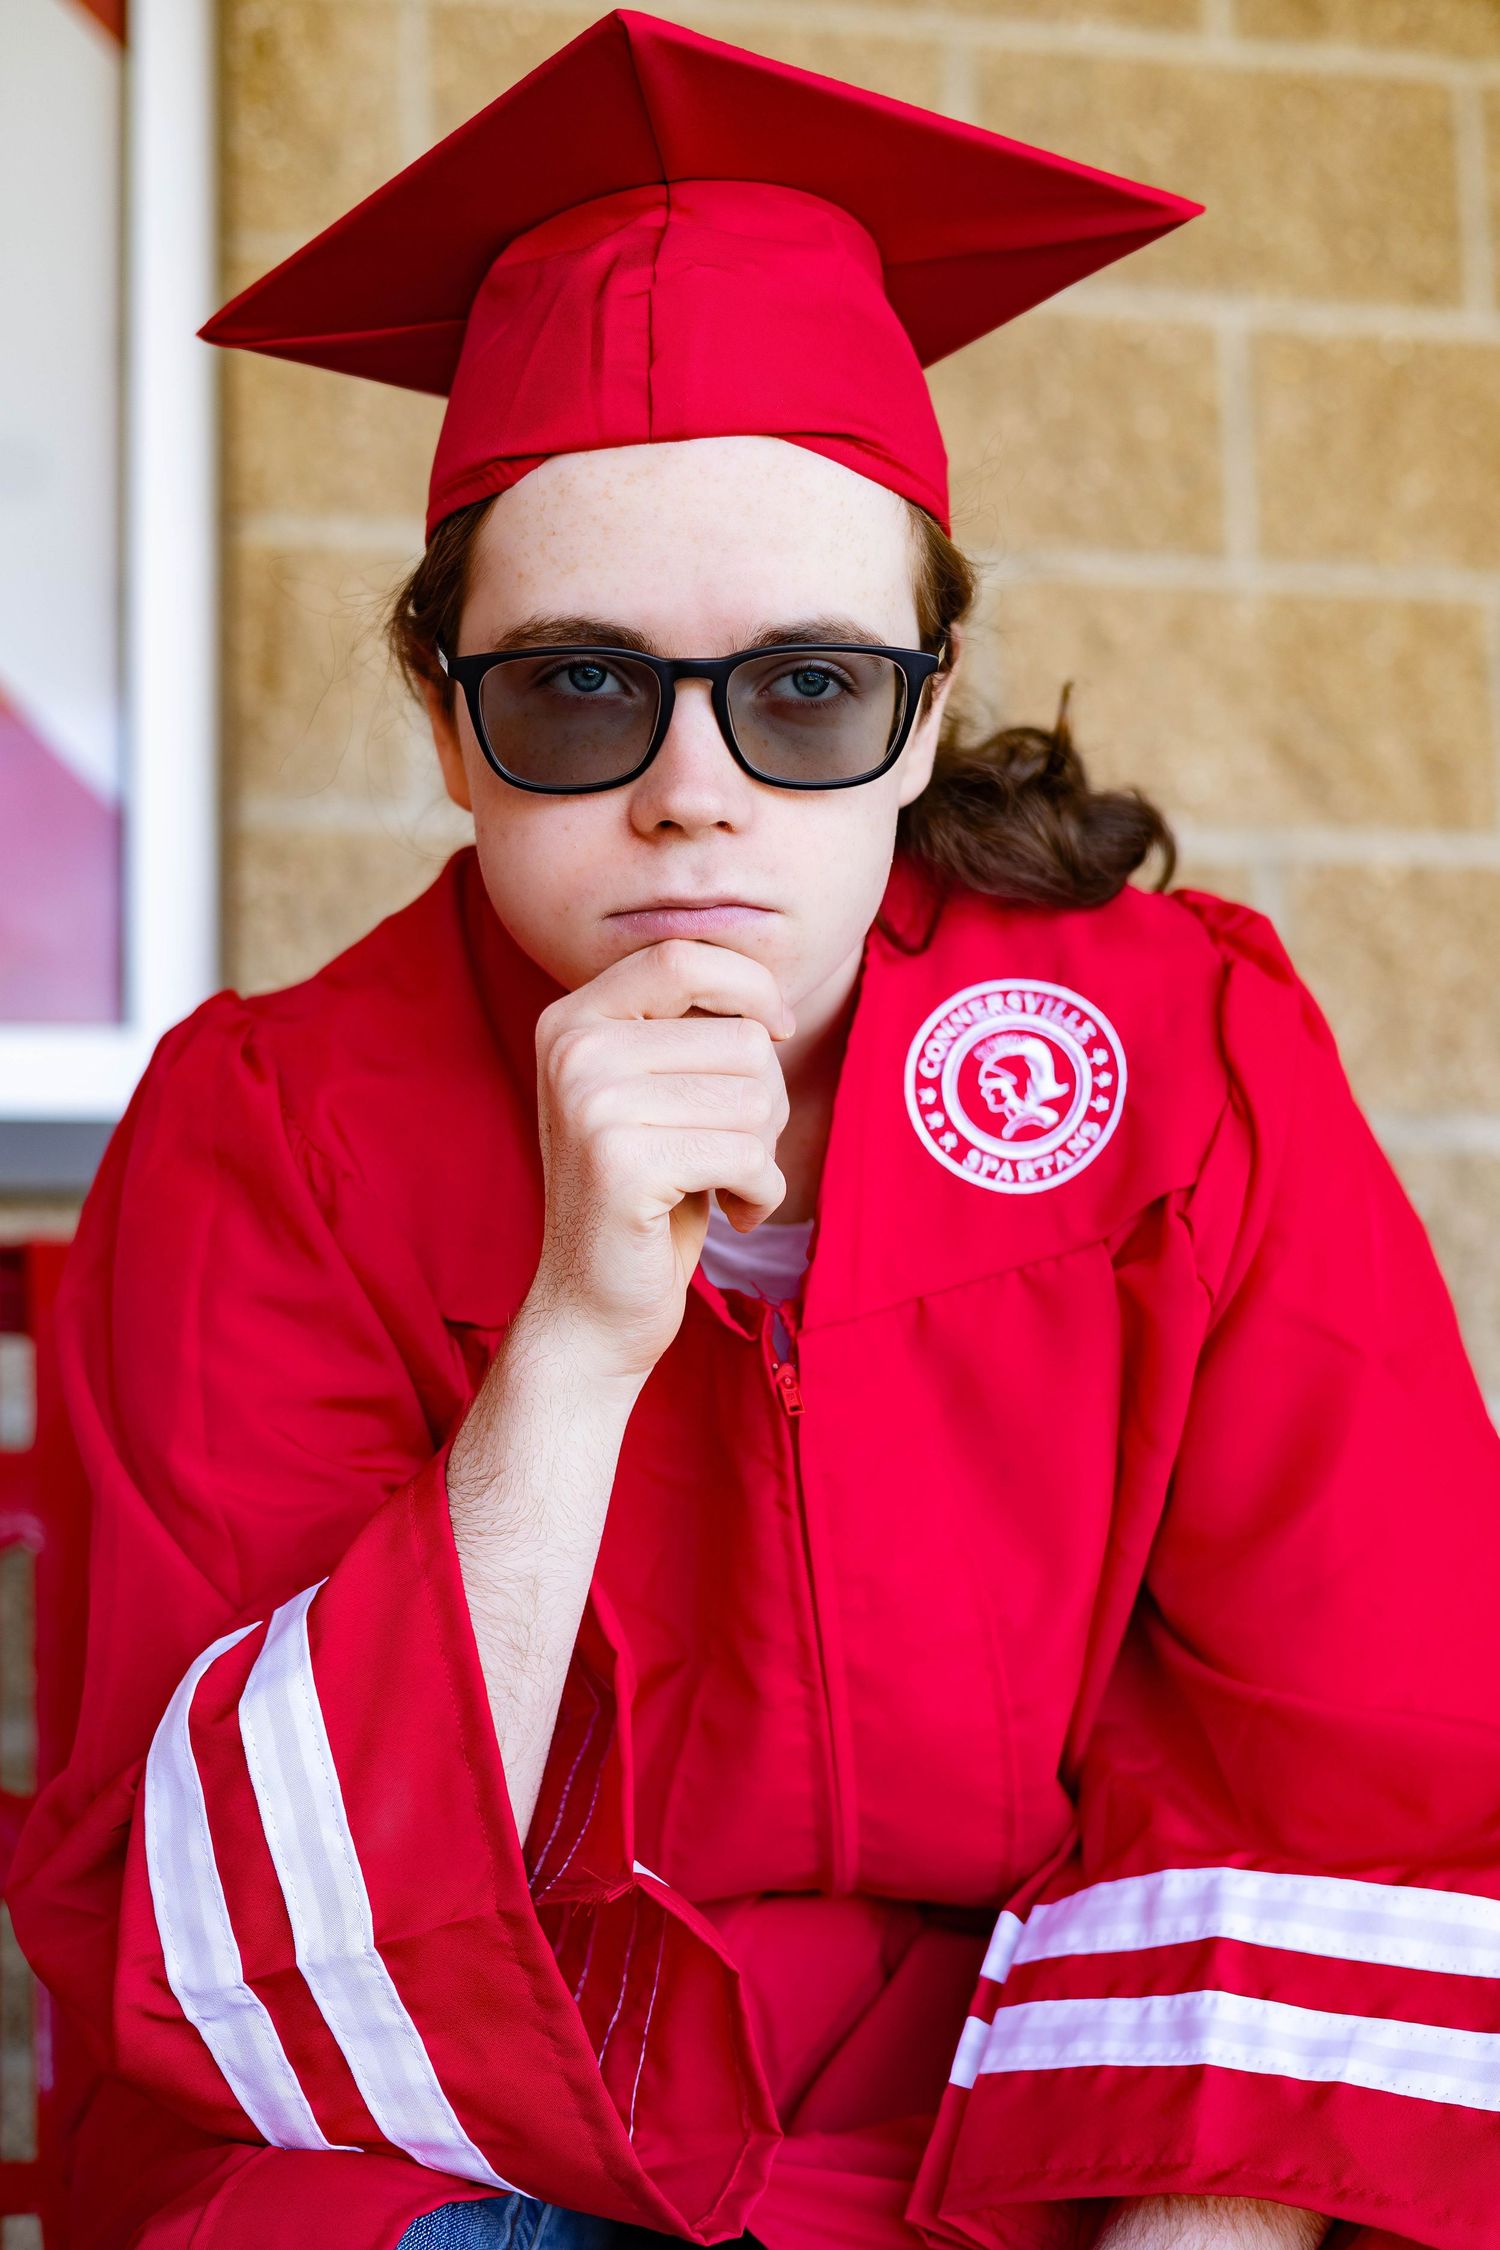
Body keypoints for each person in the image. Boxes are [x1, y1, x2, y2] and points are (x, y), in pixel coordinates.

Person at [8, 11, 1500, 2250]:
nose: (692, 787)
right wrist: (578, 1340)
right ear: (446, 722)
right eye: (580, 686)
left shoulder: (1183, 1059)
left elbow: (1349, 1752)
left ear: (920, 717)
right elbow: (221, 1928)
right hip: (457, 2137)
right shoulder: (266, 1130)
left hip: (1025, 2137)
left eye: (805, 687)